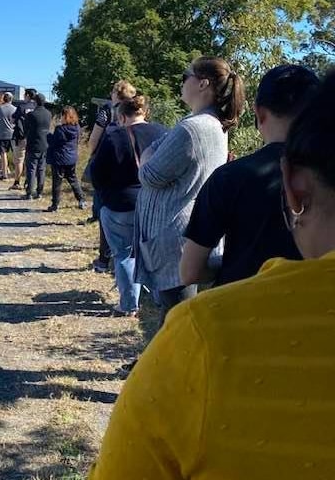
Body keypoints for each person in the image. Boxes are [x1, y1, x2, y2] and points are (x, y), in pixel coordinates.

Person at [88, 69, 335, 480]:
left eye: (187, 75)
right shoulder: (215, 135)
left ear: (293, 187)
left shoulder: (201, 334)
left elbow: (191, 265)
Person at [180, 65, 320, 287]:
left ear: (259, 113)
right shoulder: (326, 180)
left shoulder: (228, 178)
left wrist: (233, 265)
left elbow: (189, 272)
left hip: (240, 310)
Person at [135, 56, 245, 327]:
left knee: (179, 318)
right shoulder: (203, 123)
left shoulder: (191, 128)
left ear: (203, 83)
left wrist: (147, 154)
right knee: (174, 315)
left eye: (187, 75)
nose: (182, 81)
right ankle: (157, 365)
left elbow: (148, 173)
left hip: (174, 237)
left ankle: (167, 367)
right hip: (185, 233)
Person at [90, 95, 168, 315]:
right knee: (153, 252)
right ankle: (159, 297)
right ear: (145, 113)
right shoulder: (163, 133)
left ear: (122, 116)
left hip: (120, 203)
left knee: (124, 254)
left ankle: (128, 304)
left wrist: (104, 197)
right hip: (153, 203)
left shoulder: (114, 136)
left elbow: (97, 174)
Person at [88, 80, 136, 273]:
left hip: (109, 161)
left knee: (104, 209)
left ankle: (103, 259)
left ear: (115, 94)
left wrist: (93, 155)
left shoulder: (107, 110)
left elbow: (93, 139)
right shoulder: (136, 109)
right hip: (134, 164)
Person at [45, 106, 87, 211]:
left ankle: (55, 204)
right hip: (71, 157)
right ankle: (81, 199)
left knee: (57, 182)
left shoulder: (60, 129)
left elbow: (54, 143)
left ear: (65, 116)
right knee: (73, 180)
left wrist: (48, 135)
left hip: (59, 158)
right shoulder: (77, 128)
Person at [23, 93, 52, 200]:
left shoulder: (31, 115)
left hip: (33, 144)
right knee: (41, 169)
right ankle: (39, 192)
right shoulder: (49, 114)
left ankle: (29, 192)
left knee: (31, 169)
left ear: (35, 102)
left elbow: (25, 129)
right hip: (45, 144)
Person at [10, 88, 37, 190]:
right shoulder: (37, 107)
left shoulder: (21, 107)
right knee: (31, 161)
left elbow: (12, 119)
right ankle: (29, 182)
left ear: (28, 96)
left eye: (25, 95)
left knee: (19, 160)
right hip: (34, 138)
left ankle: (17, 182)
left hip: (21, 137)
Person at [0, 92, 17, 181]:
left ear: (4, 99)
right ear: (11, 99)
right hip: (12, 133)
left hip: (2, 134)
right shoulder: (15, 109)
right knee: (16, 155)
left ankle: (4, 174)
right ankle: (17, 173)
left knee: (3, 154)